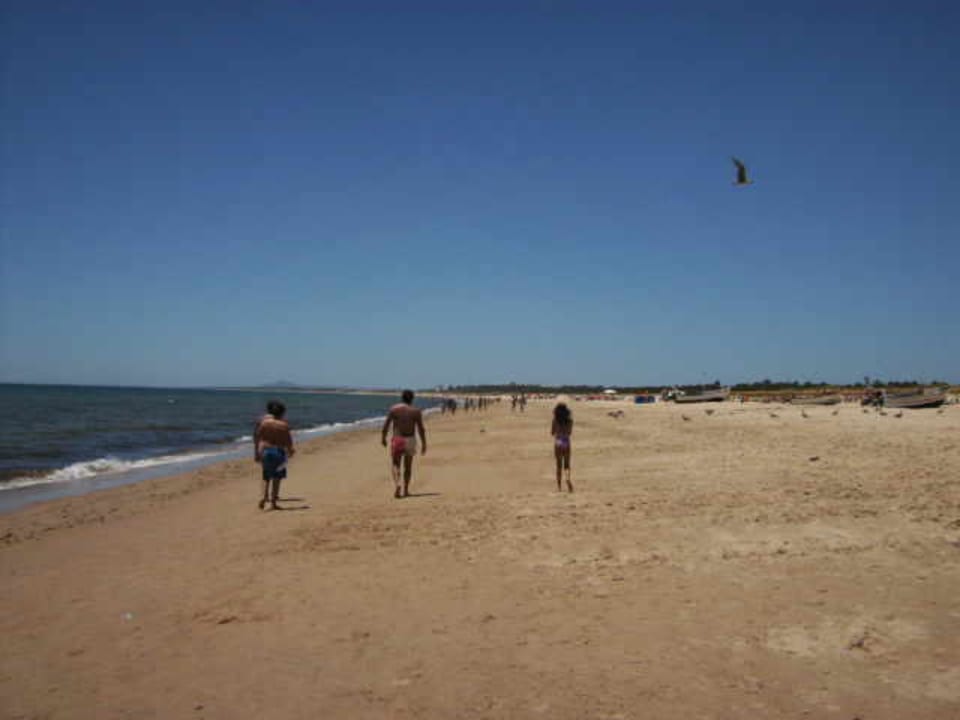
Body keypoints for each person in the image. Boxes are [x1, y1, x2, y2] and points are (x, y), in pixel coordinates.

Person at [381, 389, 428, 498]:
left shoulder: (394, 409)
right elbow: (421, 429)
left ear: (401, 398)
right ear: (412, 398)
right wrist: (424, 443)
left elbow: (386, 425)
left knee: (395, 464)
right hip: (410, 440)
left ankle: (397, 484)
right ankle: (406, 490)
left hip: (398, 439)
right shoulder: (416, 411)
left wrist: (383, 438)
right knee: (408, 466)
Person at [254, 400, 295, 510]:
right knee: (277, 478)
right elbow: (288, 441)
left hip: (266, 451)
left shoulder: (264, 423)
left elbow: (258, 438)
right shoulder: (284, 425)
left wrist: (257, 453)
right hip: (278, 452)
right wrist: (291, 451)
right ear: (282, 413)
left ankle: (263, 497)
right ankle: (273, 502)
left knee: (265, 476)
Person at [551, 402, 574, 493]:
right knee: (567, 464)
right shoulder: (570, 421)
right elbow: (569, 433)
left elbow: (552, 432)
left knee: (558, 465)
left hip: (558, 442)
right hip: (566, 441)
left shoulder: (555, 420)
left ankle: (559, 486)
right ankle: (567, 479)